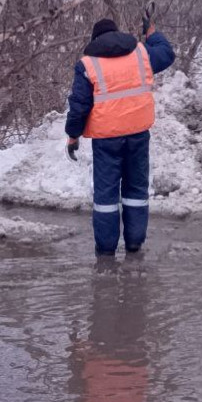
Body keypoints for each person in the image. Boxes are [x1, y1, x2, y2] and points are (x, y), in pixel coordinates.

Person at [65, 16, 175, 256]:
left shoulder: (87, 65)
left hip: (106, 140)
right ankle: (134, 243)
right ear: (117, 34)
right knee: (136, 190)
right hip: (138, 134)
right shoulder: (140, 53)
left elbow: (79, 105)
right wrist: (152, 33)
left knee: (106, 195)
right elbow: (166, 54)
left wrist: (73, 136)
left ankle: (105, 250)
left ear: (95, 40)